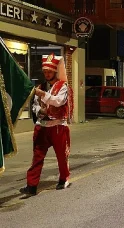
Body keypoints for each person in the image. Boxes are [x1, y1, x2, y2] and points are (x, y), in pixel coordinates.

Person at [20, 53, 73, 196]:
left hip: (57, 127)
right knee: (37, 157)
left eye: (49, 71)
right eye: (45, 71)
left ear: (55, 71)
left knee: (62, 156)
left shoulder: (63, 86)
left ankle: (64, 178)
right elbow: (35, 105)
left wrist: (42, 95)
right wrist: (39, 110)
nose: (47, 74)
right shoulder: (41, 86)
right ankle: (31, 186)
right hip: (42, 126)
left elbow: (58, 101)